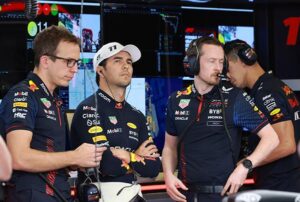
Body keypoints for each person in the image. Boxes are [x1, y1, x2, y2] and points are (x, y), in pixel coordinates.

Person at [162, 36, 280, 202]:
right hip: (184, 195)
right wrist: (167, 175)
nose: (218, 68)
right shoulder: (176, 99)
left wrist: (245, 167)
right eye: (211, 61)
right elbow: (169, 147)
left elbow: (272, 138)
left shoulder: (235, 97)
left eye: (220, 62)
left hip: (222, 195)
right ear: (194, 63)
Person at [0, 25, 106, 202]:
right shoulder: (24, 94)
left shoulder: (54, 100)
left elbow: (55, 156)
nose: (74, 69)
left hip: (58, 194)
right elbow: (18, 158)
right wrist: (74, 156)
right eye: (68, 62)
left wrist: (79, 160)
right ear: (45, 61)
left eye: (77, 63)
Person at [70, 42, 161, 202]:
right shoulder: (88, 109)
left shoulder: (137, 115)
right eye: (117, 61)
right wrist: (138, 158)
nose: (125, 66)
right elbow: (106, 165)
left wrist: (127, 156)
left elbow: (153, 168)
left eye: (129, 62)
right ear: (100, 70)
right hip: (100, 195)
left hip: (133, 194)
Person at [224, 39, 300, 192]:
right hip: (286, 182)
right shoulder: (273, 85)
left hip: (280, 185)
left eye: (227, 67)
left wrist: (246, 163)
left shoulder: (266, 92)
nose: (227, 75)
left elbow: (286, 145)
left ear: (241, 61)